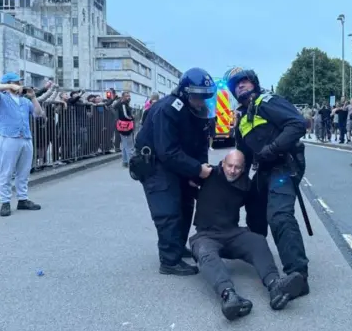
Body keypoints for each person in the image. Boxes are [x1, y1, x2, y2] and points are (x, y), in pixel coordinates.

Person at [190, 150, 305, 321]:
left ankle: (275, 285)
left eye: (237, 167)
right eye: (229, 166)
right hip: (206, 235)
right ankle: (229, 296)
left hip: (232, 233)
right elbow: (185, 177)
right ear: (223, 163)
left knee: (257, 241)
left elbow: (255, 212)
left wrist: (257, 236)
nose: (232, 170)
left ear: (243, 169)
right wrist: (194, 172)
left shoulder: (246, 185)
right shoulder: (208, 174)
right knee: (206, 253)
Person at [228, 68, 310, 298]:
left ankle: (298, 275)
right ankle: (260, 258)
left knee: (279, 215)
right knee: (254, 210)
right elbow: (243, 153)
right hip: (264, 170)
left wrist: (272, 149)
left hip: (285, 165)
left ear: (254, 82)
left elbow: (297, 124)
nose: (241, 86)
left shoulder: (267, 101)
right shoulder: (243, 117)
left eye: (244, 82)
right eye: (237, 85)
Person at [133, 67, 216, 276]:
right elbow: (167, 151)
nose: (201, 100)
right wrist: (196, 169)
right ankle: (169, 261)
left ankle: (177, 246)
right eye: (198, 96)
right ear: (186, 92)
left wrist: (198, 171)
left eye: (205, 96)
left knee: (186, 205)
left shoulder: (197, 111)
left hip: (180, 164)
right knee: (168, 210)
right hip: (157, 164)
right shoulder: (168, 109)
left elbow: (200, 145)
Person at [0, 74, 48, 216]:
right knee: (6, 171)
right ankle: (5, 202)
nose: (19, 84)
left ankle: (22, 199)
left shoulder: (24, 101)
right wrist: (8, 86)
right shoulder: (1, 97)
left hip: (25, 137)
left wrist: (33, 97)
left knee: (23, 171)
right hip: (8, 137)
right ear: (8, 83)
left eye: (19, 82)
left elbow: (38, 114)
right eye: (17, 82)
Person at [113, 91, 135, 168]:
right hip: (126, 125)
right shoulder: (123, 104)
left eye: (129, 96)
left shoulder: (122, 104)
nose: (128, 97)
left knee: (125, 145)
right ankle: (130, 162)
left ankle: (125, 161)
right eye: (126, 96)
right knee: (129, 145)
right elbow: (125, 115)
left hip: (122, 126)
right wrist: (132, 117)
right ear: (122, 97)